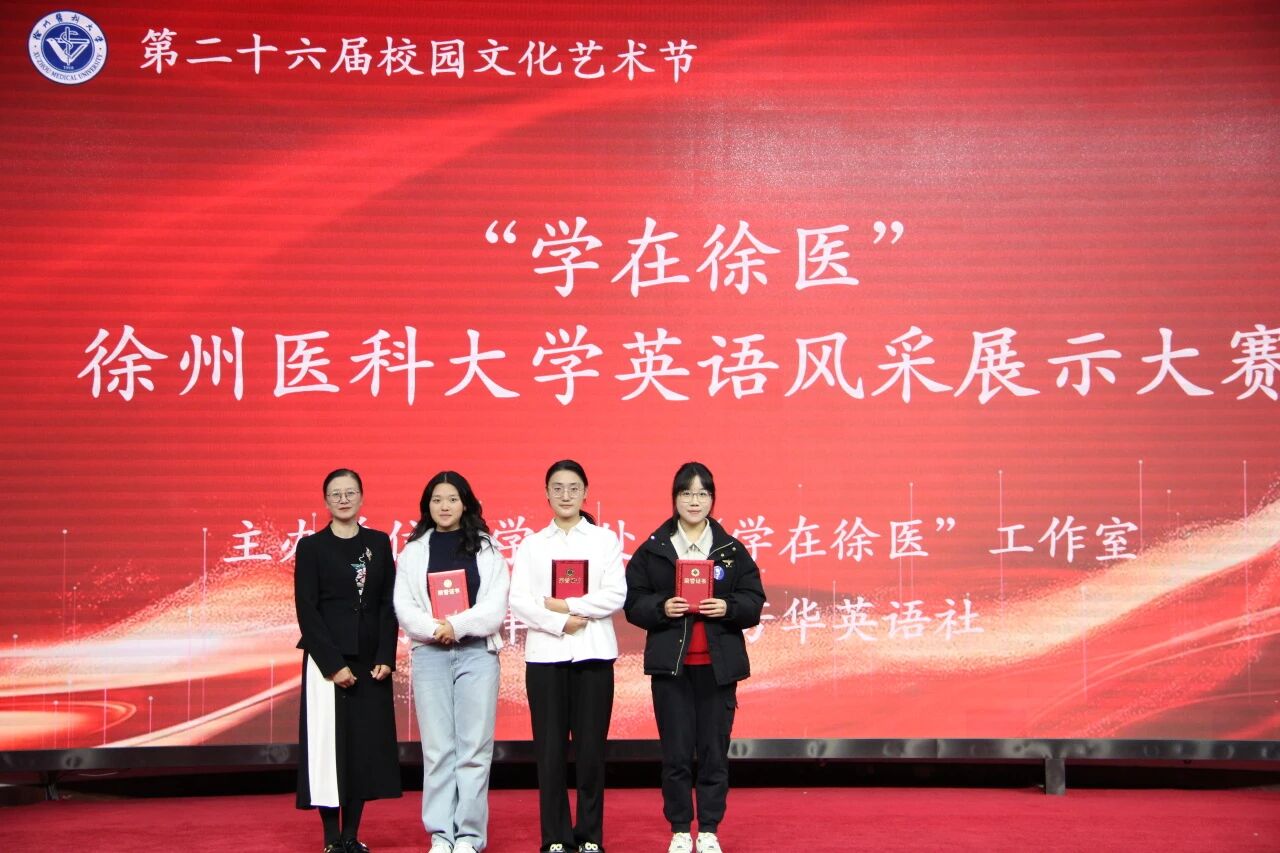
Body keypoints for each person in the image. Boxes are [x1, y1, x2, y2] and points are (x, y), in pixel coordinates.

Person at [623, 462, 766, 853]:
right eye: (686, 493)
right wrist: (662, 607)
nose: (694, 501)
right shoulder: (654, 549)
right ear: (675, 498)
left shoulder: (731, 550)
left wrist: (729, 607)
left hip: (718, 670)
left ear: (712, 499)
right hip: (672, 670)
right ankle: (680, 830)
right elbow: (632, 601)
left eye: (703, 494)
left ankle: (709, 831)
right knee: (676, 753)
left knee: (714, 752)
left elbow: (754, 600)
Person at [509, 460, 627, 853]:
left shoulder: (604, 540)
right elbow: (520, 601)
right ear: (546, 493)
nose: (565, 495)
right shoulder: (532, 544)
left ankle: (590, 835)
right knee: (550, 753)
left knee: (592, 753)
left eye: (573, 488)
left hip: (594, 656)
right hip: (546, 659)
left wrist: (565, 605)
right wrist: (562, 623)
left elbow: (615, 594)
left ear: (585, 493)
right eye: (557, 488)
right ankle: (556, 838)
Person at [394, 471, 510, 853]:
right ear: (427, 506)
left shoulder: (488, 548)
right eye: (437, 500)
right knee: (438, 750)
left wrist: (456, 626)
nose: (444, 506)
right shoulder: (414, 551)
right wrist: (436, 629)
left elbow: (495, 607)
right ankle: (441, 835)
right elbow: (404, 606)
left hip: (477, 654)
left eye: (452, 499)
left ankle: (469, 837)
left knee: (474, 749)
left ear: (466, 504)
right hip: (430, 655)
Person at [295, 468, 402, 853]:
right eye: (336, 494)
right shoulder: (312, 547)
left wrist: (386, 655)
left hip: (370, 662)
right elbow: (307, 610)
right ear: (326, 501)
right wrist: (332, 664)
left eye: (350, 492)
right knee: (327, 747)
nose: (343, 499)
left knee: (363, 749)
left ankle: (352, 835)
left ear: (361, 497)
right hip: (328, 662)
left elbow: (388, 604)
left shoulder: (378, 542)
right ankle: (331, 839)